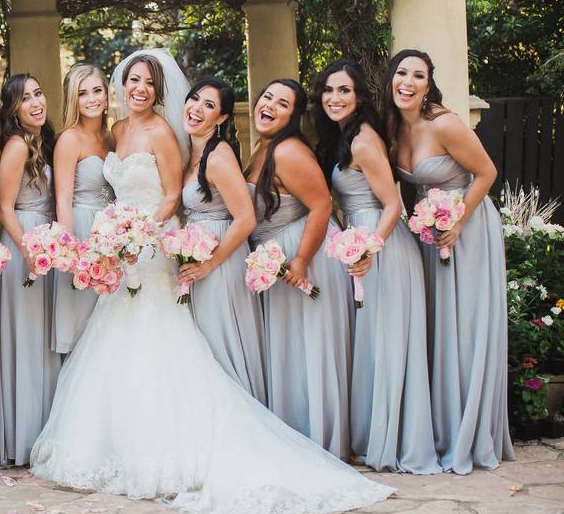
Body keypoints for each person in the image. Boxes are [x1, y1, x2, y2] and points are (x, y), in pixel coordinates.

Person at [30, 49, 393, 514]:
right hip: (124, 253)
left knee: (165, 342)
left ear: (161, 90)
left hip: (150, 246)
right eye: (132, 79)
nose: (138, 88)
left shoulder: (164, 133)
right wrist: (111, 235)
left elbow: (168, 197)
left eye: (148, 81)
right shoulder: (116, 132)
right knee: (117, 342)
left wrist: (136, 231)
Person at [386, 49, 514, 474]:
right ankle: (442, 425)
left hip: (469, 227)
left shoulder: (443, 123)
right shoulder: (393, 129)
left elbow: (487, 173)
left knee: (465, 326)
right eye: (401, 73)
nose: (407, 81)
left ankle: (469, 431)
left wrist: (457, 221)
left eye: (417, 75)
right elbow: (406, 191)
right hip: (429, 230)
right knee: (440, 327)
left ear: (428, 85)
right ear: (391, 79)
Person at [313, 58, 439, 474]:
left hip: (383, 246)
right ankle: (373, 437)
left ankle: (393, 440)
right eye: (329, 90)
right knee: (371, 346)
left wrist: (369, 248)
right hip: (362, 243)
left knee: (384, 345)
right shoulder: (341, 137)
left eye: (344, 90)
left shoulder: (364, 140)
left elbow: (393, 204)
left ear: (360, 96)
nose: (335, 97)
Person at [245, 79, 354, 459]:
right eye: (267, 96)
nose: (270, 104)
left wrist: (302, 260)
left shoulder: (289, 151)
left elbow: (322, 205)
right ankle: (295, 437)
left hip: (305, 256)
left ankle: (319, 441)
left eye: (283, 103)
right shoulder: (262, 148)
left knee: (311, 350)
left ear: (292, 117)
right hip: (278, 256)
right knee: (291, 351)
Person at [178, 78, 266, 403]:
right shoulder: (191, 152)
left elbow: (245, 218)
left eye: (209, 106)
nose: (197, 109)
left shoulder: (217, 156)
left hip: (220, 259)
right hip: (198, 256)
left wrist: (210, 263)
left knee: (221, 343)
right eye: (195, 99)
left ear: (223, 118)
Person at [0, 73, 62, 465]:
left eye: (39, 93)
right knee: (25, 339)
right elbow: (5, 208)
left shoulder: (43, 142)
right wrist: (29, 250)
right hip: (23, 243)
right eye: (25, 98)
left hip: (45, 242)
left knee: (42, 341)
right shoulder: (18, 146)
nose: (36, 102)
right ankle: (21, 439)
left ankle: (42, 431)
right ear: (14, 110)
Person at [50, 63, 114, 354]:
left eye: (97, 90)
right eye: (83, 93)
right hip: (81, 230)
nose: (91, 99)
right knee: (82, 320)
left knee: (108, 320)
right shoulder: (69, 139)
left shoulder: (112, 137)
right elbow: (62, 198)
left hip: (111, 234)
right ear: (73, 99)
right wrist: (72, 251)